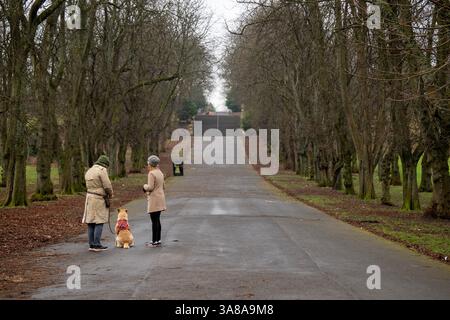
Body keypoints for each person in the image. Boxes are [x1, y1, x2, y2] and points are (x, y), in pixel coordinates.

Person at [82, 155, 113, 252]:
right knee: (99, 221)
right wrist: (110, 194)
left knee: (91, 221)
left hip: (89, 198)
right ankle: (97, 244)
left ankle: (91, 244)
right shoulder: (102, 170)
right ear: (105, 164)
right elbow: (107, 185)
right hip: (99, 198)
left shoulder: (89, 170)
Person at [143, 155, 166, 247]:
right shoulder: (160, 172)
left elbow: (150, 187)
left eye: (148, 163)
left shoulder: (151, 173)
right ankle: (158, 239)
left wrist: (144, 186)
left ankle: (154, 241)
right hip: (161, 197)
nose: (147, 164)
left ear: (150, 164)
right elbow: (164, 186)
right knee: (157, 220)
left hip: (154, 199)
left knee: (154, 221)